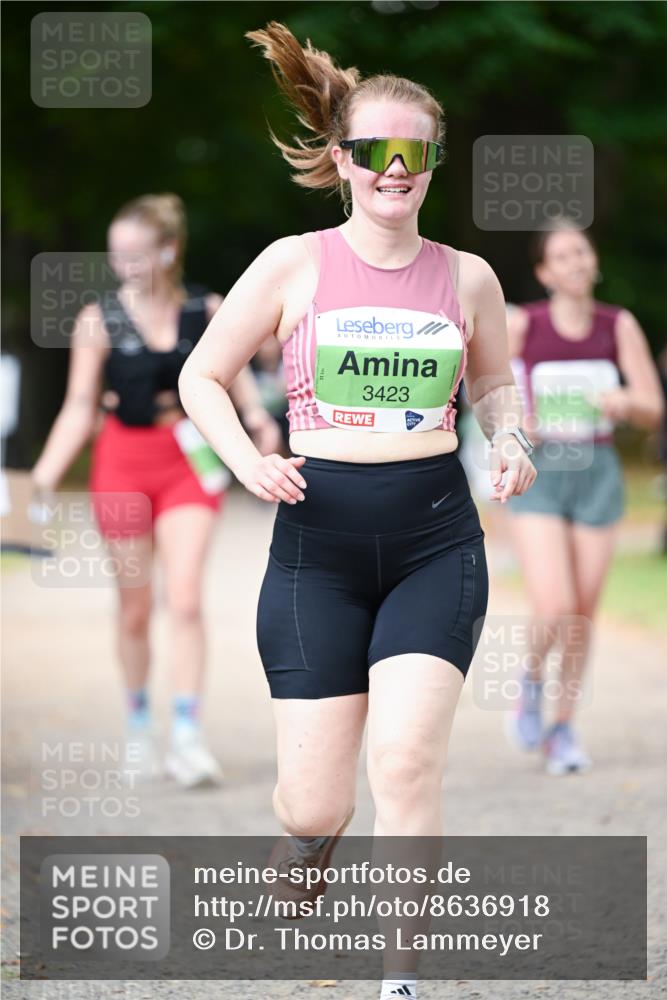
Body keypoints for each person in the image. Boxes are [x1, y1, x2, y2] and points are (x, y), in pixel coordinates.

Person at [178, 23, 535, 1000]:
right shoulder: (292, 264)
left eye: (413, 152)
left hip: (434, 541)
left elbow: (494, 385)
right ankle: (308, 842)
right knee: (312, 803)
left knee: (407, 761)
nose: (393, 169)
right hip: (317, 551)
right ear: (342, 160)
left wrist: (509, 439)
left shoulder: (467, 277)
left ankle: (401, 977)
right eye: (373, 150)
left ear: (431, 163)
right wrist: (248, 459)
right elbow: (202, 375)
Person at [30, 193, 281, 788]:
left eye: (136, 255)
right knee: (136, 607)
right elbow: (78, 408)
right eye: (117, 256)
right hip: (121, 464)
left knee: (186, 599)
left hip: (187, 461)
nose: (125, 267)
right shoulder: (98, 320)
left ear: (168, 251)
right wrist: (40, 481)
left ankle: (188, 736)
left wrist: (259, 422)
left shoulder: (206, 309)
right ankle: (139, 724)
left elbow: (237, 386)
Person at [505, 219, 664, 775]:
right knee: (555, 604)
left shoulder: (618, 325)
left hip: (597, 469)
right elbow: (492, 394)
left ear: (593, 261)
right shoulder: (524, 324)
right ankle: (529, 680)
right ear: (544, 272)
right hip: (542, 471)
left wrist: (624, 402)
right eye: (563, 255)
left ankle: (563, 728)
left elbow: (653, 408)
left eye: (582, 251)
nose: (575, 261)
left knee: (582, 613)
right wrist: (519, 425)